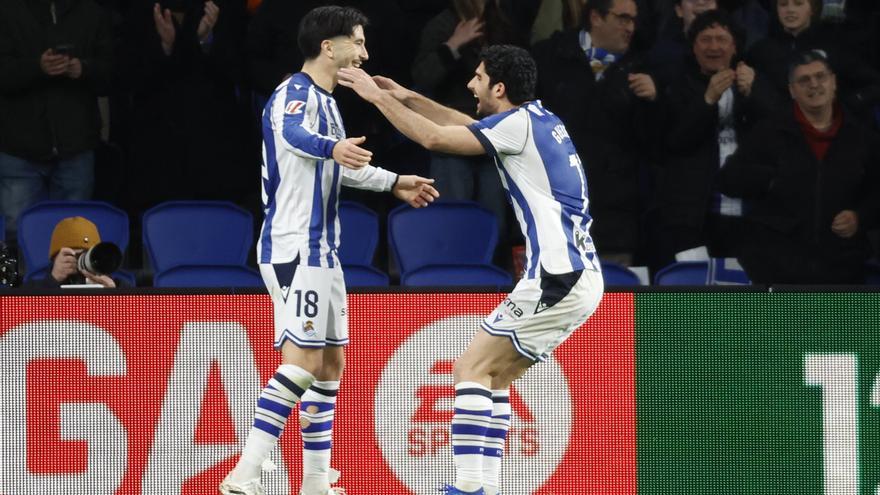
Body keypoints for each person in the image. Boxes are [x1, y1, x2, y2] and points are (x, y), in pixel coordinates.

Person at [338, 44, 604, 495]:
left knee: (469, 370)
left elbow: (436, 140)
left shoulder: (518, 127)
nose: (469, 84)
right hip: (578, 276)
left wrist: (374, 97)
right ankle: (487, 486)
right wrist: (406, 96)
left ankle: (468, 486)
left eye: (477, 78)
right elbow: (463, 125)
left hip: (558, 275)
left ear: (499, 88)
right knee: (493, 377)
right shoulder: (538, 120)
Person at [219, 6, 439, 495]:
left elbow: (343, 166)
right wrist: (332, 149)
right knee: (301, 363)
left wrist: (395, 182)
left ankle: (317, 481)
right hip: (295, 246)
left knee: (331, 364)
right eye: (358, 43)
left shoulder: (331, 105)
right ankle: (244, 471)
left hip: (323, 252)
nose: (365, 53)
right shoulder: (290, 95)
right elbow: (296, 138)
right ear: (329, 47)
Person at [718, 49, 880, 283]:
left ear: (833, 82)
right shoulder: (769, 131)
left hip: (841, 267)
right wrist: (771, 179)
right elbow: (728, 179)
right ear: (792, 90)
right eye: (804, 80)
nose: (814, 85)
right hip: (777, 266)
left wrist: (860, 217)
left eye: (820, 76)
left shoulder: (863, 136)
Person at [531, 0, 660, 266]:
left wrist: (653, 102)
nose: (630, 28)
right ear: (596, 17)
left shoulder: (642, 67)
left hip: (615, 217)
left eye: (633, 20)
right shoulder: (547, 58)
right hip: (555, 210)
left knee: (613, 303)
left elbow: (655, 143)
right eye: (623, 18)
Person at [651, 10, 773, 268]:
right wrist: (707, 99)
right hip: (692, 216)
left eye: (721, 39)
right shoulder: (676, 84)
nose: (714, 47)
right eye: (705, 39)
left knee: (741, 302)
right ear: (693, 47)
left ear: (735, 46)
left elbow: (779, 134)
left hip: (749, 215)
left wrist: (757, 92)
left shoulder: (755, 81)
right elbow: (674, 141)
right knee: (693, 298)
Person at [0, 0, 112, 243]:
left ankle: (68, 283)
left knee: (75, 237)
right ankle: (8, 282)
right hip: (17, 148)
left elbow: (114, 74)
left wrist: (83, 69)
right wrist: (37, 67)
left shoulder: (92, 12)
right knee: (13, 235)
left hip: (76, 146)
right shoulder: (7, 10)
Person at [24, 216, 123, 288]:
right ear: (55, 258)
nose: (80, 260)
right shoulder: (33, 288)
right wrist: (52, 281)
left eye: (86, 254)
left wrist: (112, 296)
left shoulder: (120, 287)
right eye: (72, 255)